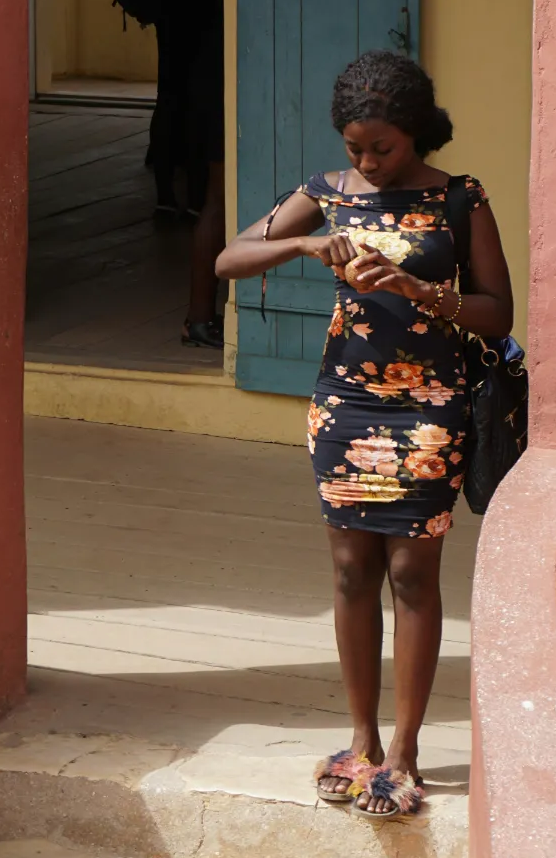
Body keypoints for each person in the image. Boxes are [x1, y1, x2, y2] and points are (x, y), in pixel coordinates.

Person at [215, 51, 513, 817]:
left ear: (414, 133)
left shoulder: (459, 199)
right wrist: (301, 243)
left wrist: (422, 290)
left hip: (429, 409)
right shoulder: (326, 195)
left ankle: (406, 753)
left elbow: (497, 312)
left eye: (381, 147)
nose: (367, 161)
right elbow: (229, 259)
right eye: (355, 148)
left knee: (412, 576)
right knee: (351, 572)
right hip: (346, 406)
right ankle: (361, 741)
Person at [129, 0, 228, 347]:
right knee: (204, 127)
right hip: (206, 26)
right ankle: (181, 184)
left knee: (171, 97)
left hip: (177, 21)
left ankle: (168, 188)